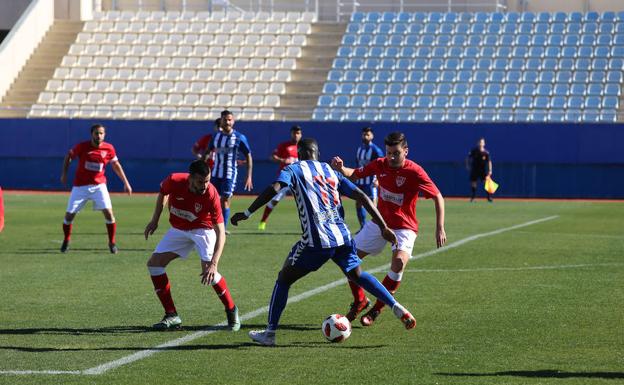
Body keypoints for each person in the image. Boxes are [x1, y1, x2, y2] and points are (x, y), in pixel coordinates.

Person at [231, 138, 417, 346]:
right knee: (358, 275)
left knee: (283, 279)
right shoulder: (330, 170)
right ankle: (394, 305)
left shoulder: (294, 169)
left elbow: (275, 188)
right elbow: (361, 195)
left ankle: (270, 333)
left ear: (300, 154)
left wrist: (248, 212)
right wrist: (383, 226)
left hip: (316, 241)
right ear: (317, 154)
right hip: (343, 237)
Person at [331, 131, 446, 326]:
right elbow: (355, 174)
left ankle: (377, 309)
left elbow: (437, 196)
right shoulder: (380, 164)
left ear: (406, 151)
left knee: (399, 262)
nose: (391, 157)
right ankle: (360, 301)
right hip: (379, 223)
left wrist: (440, 228)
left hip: (404, 227)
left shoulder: (415, 171)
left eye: (396, 153)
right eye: (389, 152)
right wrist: (342, 169)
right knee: (347, 259)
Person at [143, 160, 240, 331]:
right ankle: (172, 315)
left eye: (208, 180)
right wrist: (154, 220)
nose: (204, 185)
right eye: (200, 182)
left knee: (208, 271)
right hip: (179, 229)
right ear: (190, 178)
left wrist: (214, 264)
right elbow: (163, 193)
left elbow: (221, 232)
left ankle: (232, 310)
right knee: (154, 265)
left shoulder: (211, 194)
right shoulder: (174, 180)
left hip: (203, 230)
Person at [59, 123, 132, 254]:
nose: (99, 135)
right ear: (91, 134)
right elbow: (69, 156)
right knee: (69, 216)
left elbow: (116, 165)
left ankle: (112, 242)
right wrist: (64, 173)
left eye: (101, 133)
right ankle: (66, 240)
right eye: (96, 133)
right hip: (80, 187)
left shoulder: (109, 148)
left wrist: (126, 182)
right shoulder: (82, 146)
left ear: (104, 135)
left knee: (109, 213)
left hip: (99, 186)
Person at [207, 110, 253, 232]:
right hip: (215, 173)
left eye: (229, 120)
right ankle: (209, 225)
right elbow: (207, 153)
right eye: (225, 120)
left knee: (225, 200)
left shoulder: (239, 137)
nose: (227, 122)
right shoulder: (216, 137)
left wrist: (249, 176)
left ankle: (222, 229)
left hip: (229, 174)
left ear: (233, 121)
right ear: (221, 121)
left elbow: (248, 155)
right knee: (211, 200)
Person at [257, 125, 302, 230]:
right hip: (285, 178)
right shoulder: (284, 146)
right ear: (291, 133)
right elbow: (272, 156)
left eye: (298, 133)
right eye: (294, 133)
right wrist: (282, 160)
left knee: (305, 201)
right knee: (274, 200)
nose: (296, 135)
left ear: (301, 134)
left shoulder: (303, 147)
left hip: (299, 179)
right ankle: (263, 221)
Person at [354, 127, 384, 229]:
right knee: (358, 203)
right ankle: (362, 227)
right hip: (360, 181)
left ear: (372, 136)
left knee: (373, 206)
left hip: (370, 182)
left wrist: (378, 179)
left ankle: (378, 227)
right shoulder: (360, 149)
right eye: (364, 134)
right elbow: (358, 165)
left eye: (368, 134)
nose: (365, 136)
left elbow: (382, 166)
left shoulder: (376, 150)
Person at [466, 137, 493, 202]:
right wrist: (468, 166)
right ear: (478, 143)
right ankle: (473, 197)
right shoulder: (474, 151)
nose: (481, 143)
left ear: (484, 144)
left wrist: (490, 170)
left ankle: (489, 197)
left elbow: (489, 162)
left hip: (483, 171)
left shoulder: (486, 153)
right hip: (475, 170)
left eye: (482, 142)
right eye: (480, 142)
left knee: (487, 183)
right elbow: (468, 158)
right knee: (473, 183)